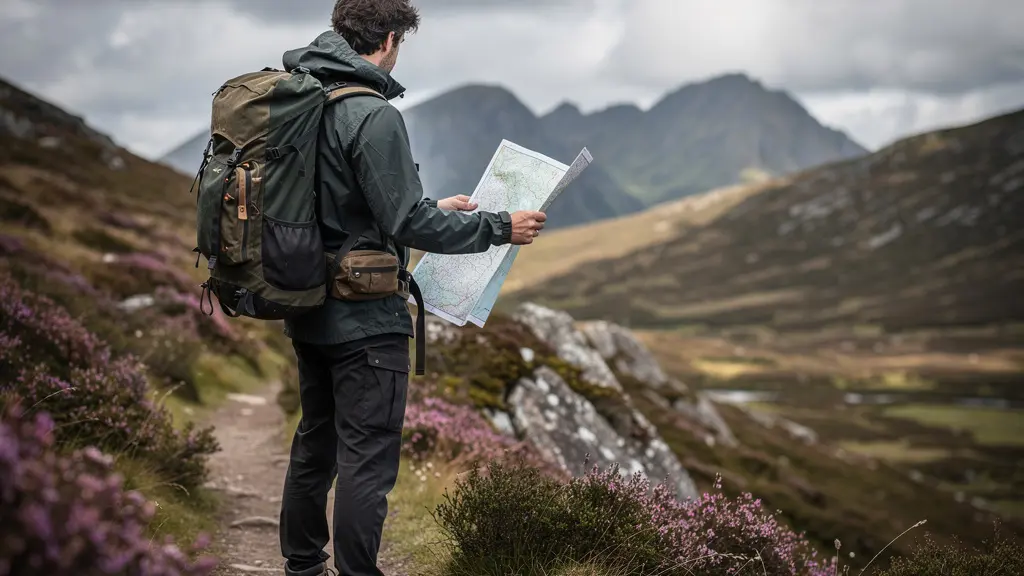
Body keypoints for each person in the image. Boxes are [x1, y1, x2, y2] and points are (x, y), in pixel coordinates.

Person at [276, 1, 546, 575]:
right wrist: (501, 227)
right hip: (365, 318)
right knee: (367, 457)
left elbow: (345, 206)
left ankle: (302, 566)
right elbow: (406, 223)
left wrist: (431, 207)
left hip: (309, 305)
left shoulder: (304, 100)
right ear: (390, 40)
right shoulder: (371, 114)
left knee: (316, 443)